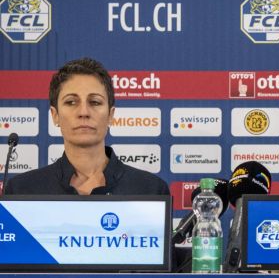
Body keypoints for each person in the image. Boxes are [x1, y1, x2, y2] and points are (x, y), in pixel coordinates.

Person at [4, 57, 169, 196]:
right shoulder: (21, 190)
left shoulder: (151, 190)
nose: (83, 112)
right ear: (55, 115)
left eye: (95, 102)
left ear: (110, 115)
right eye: (71, 102)